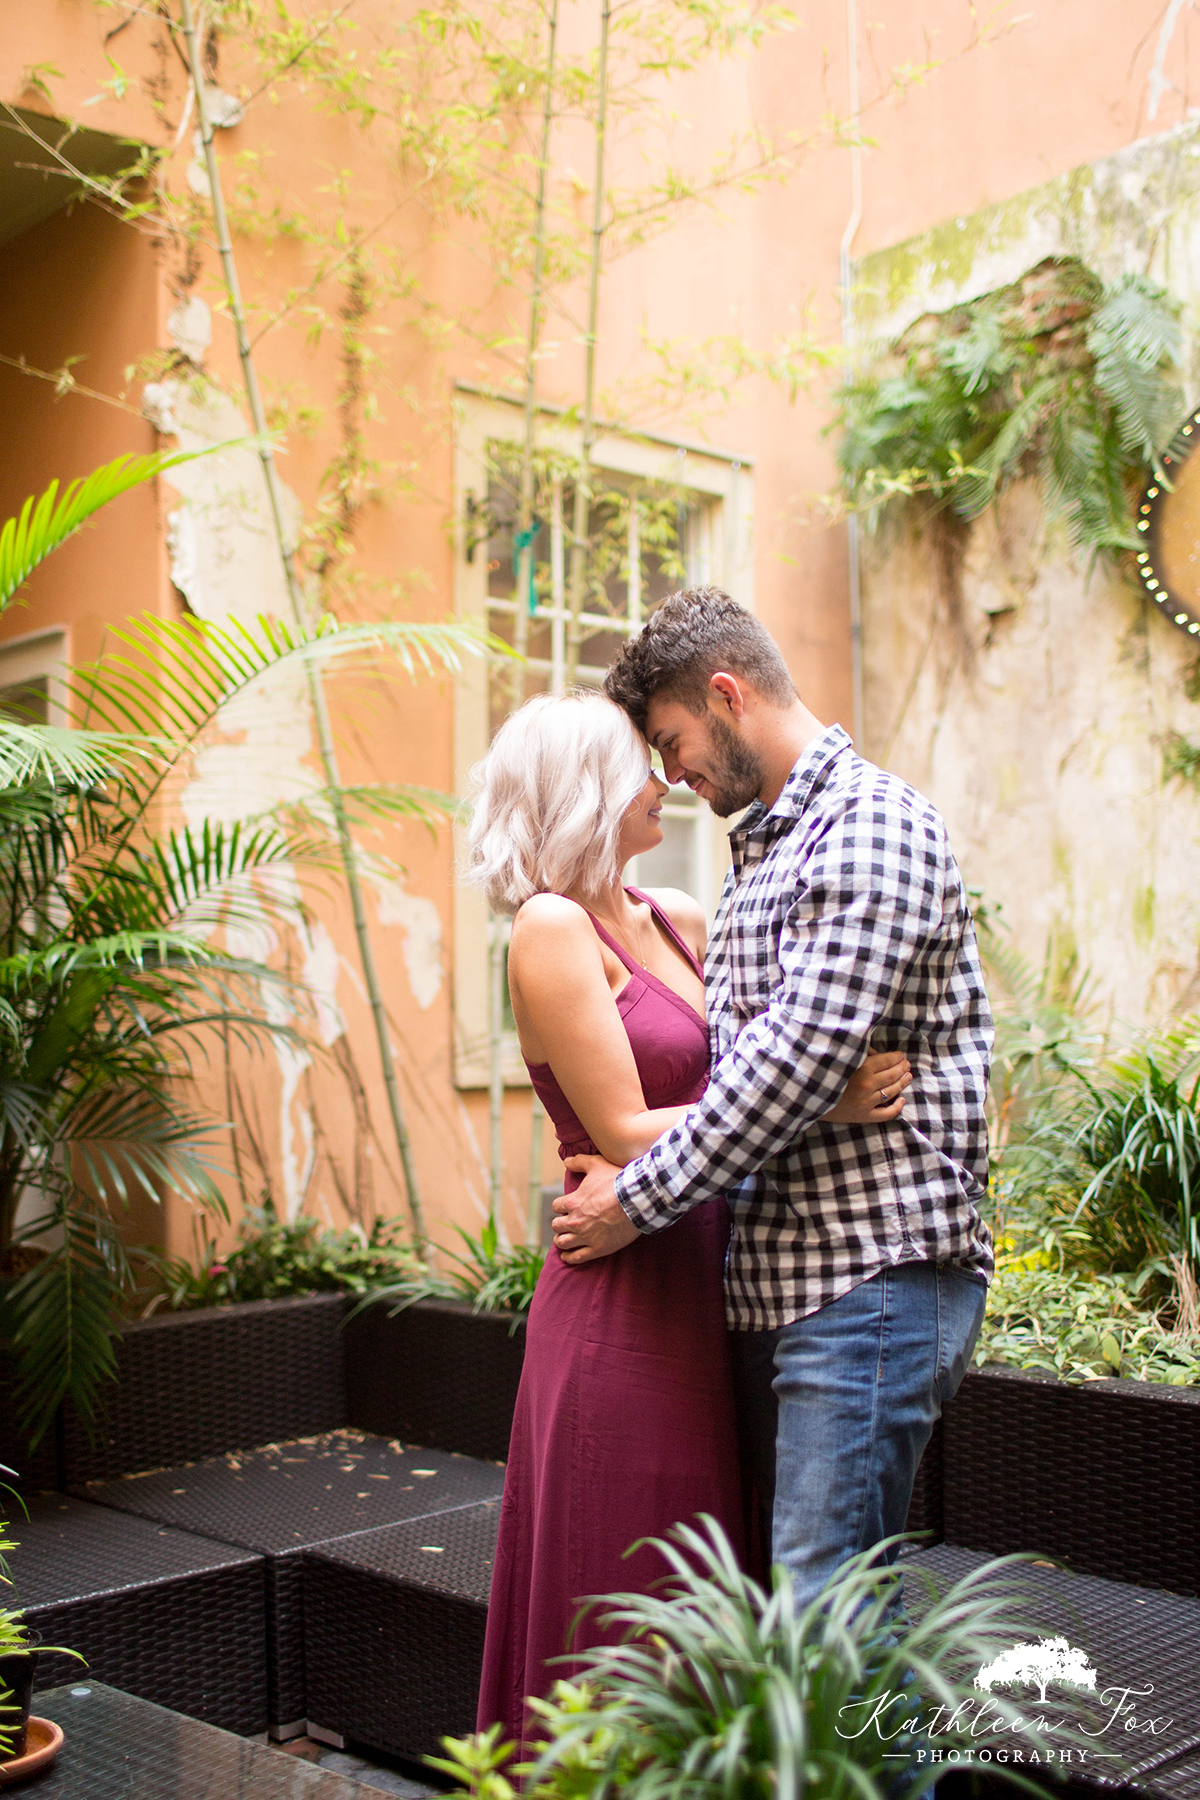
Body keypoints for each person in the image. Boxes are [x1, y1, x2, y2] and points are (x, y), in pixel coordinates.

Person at [467, 692, 912, 1753]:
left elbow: (766, 1041)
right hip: (620, 1300)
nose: (666, 779)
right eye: (644, 762)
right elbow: (621, 1128)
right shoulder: (549, 926)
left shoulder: (678, 918)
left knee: (713, 1584)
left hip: (714, 1286)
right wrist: (822, 1094)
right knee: (624, 1588)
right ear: (585, 790)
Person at [552, 587, 994, 1614]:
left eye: (672, 741)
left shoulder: (869, 829)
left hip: (870, 1279)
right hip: (779, 1289)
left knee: (823, 1623)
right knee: (831, 1626)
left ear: (726, 692)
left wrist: (633, 1200)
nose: (671, 775)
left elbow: (788, 1065)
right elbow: (762, 1080)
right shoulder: (763, 855)